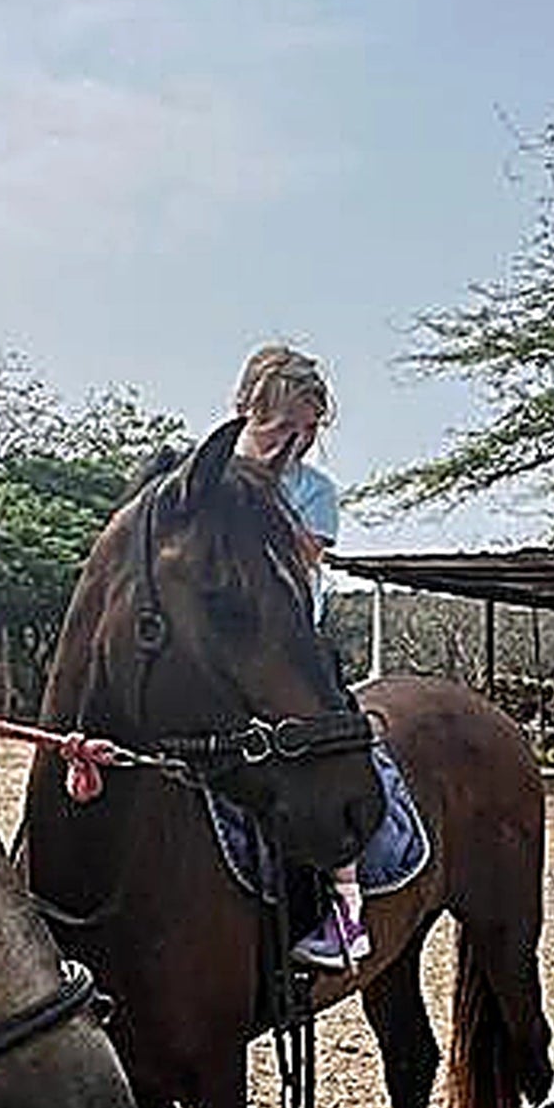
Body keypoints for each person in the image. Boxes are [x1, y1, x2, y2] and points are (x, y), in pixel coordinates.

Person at [230, 344, 369, 972]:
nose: (297, 442)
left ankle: (346, 903)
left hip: (290, 649)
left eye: (309, 430)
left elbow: (296, 565)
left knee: (323, 759)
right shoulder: (210, 478)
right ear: (245, 411)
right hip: (219, 648)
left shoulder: (315, 491)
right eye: (282, 427)